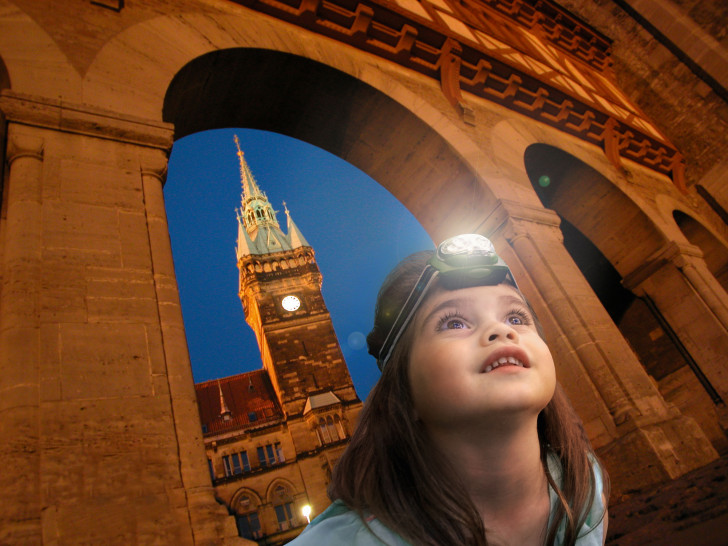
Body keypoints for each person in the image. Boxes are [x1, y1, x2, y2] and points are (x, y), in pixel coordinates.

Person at [291, 234, 609, 546]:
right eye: (454, 323)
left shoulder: (584, 488)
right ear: (403, 390)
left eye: (515, 316)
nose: (500, 330)